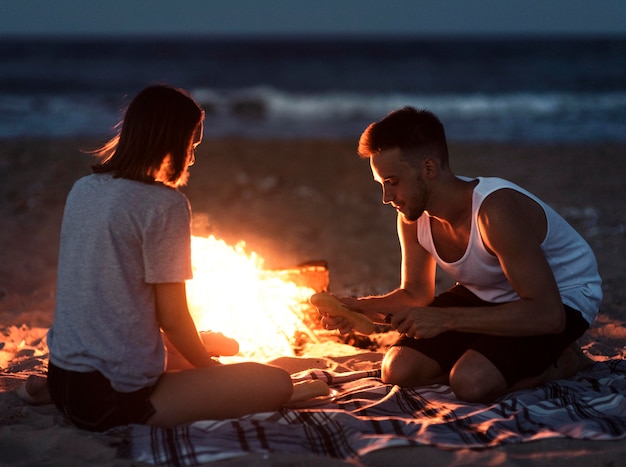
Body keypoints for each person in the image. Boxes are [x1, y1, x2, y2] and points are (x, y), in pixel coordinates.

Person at [23, 84, 293, 431]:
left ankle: (46, 391)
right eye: (191, 145)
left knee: (184, 348)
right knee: (275, 382)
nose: (193, 157)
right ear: (172, 142)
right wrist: (211, 371)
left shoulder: (83, 189)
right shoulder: (165, 205)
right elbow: (173, 317)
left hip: (63, 377)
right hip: (110, 400)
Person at [314, 107, 602, 403]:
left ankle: (565, 360)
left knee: (470, 382)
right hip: (490, 293)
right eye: (381, 184)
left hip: (561, 299)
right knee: (399, 370)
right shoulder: (413, 219)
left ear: (428, 169)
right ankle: (493, 351)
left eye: (393, 181)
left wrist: (447, 319)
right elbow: (415, 296)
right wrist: (358, 308)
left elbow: (548, 314)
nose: (387, 198)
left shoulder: (494, 211)